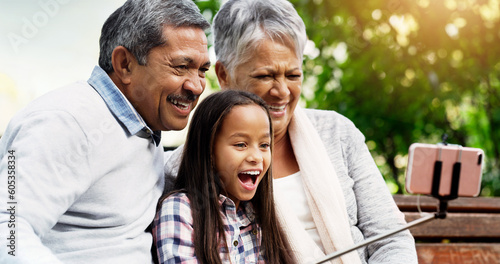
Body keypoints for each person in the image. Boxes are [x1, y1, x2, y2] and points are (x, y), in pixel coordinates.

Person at [164, 0, 418, 263]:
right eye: (265, 76)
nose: (282, 92)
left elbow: (391, 239)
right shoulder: (189, 167)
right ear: (224, 75)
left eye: (293, 75)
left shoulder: (337, 133)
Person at [0, 0, 210, 263]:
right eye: (181, 66)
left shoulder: (142, 124)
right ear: (125, 65)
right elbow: (7, 229)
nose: (197, 86)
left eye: (202, 70)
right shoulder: (63, 120)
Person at [154, 90, 296, 264]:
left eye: (264, 145)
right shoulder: (180, 210)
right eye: (241, 144)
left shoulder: (257, 214)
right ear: (209, 151)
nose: (257, 157)